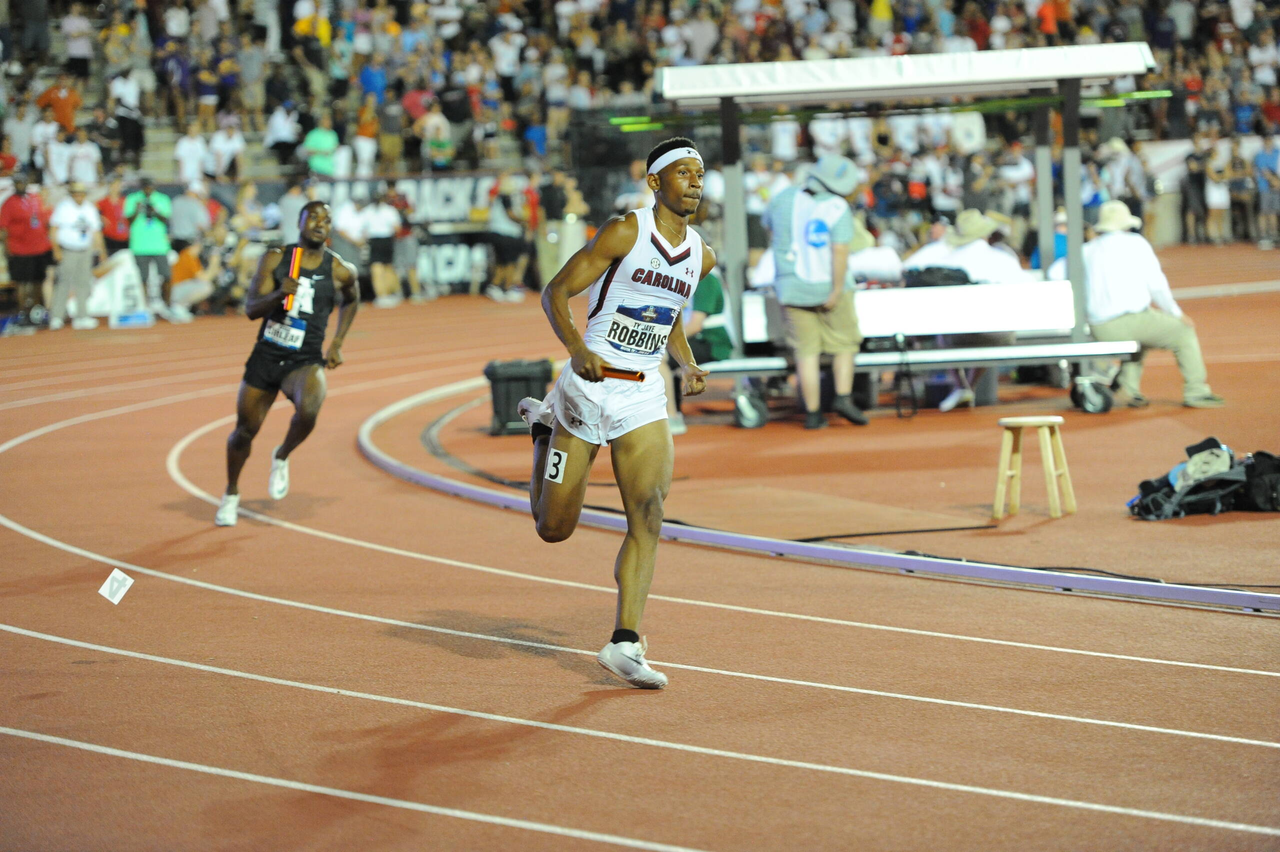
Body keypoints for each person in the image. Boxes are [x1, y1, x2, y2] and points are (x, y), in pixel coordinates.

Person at [516, 138, 716, 689]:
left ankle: (624, 642)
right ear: (656, 183)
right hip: (586, 390)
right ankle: (541, 430)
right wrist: (580, 352)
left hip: (642, 395)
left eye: (700, 173)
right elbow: (555, 293)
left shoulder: (702, 254)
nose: (696, 182)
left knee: (648, 513)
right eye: (684, 173)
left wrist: (688, 364)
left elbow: (669, 313)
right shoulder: (625, 231)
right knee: (553, 528)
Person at [216, 201, 360, 527]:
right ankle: (231, 494)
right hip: (266, 355)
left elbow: (353, 299)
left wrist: (337, 342)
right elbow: (251, 309)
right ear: (300, 221)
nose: (321, 223)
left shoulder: (339, 269)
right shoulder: (278, 258)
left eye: (327, 219)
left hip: (305, 359)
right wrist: (278, 295)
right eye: (314, 217)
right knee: (244, 432)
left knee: (310, 408)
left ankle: (282, 455)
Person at [1083, 200, 1224, 409]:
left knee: (1143, 332)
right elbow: (1157, 285)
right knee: (1182, 332)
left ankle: (1127, 387)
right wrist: (1176, 313)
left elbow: (1057, 272)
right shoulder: (1136, 243)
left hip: (1100, 326)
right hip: (1128, 320)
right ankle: (1197, 391)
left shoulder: (1086, 250)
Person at [764, 155, 869, 429]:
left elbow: (769, 229)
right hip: (831, 287)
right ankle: (843, 397)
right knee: (845, 344)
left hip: (792, 287)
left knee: (806, 353)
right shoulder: (837, 206)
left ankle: (812, 414)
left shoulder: (783, 198)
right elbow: (840, 250)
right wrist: (835, 289)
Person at [48, 182, 105, 330]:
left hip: (85, 250)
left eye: (81, 193)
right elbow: (54, 229)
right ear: (72, 194)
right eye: (76, 193)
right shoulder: (64, 207)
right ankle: (57, 317)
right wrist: (56, 250)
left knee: (84, 283)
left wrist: (101, 250)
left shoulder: (90, 208)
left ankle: (82, 316)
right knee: (63, 282)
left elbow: (96, 231)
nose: (79, 196)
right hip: (68, 249)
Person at [0, 172, 53, 327]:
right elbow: (3, 229)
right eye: (17, 183)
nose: (20, 185)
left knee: (38, 281)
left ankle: (37, 312)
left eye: (23, 182)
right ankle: (23, 313)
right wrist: (7, 248)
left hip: (39, 248)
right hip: (19, 249)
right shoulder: (9, 203)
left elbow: (43, 217)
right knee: (22, 283)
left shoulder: (34, 198)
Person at [124, 177, 175, 320]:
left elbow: (166, 219)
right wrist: (137, 209)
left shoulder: (162, 199)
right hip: (140, 245)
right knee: (143, 278)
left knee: (166, 276)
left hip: (159, 245)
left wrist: (154, 210)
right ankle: (145, 307)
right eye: (145, 187)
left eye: (150, 186)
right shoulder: (132, 199)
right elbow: (128, 220)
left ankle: (167, 305)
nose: (148, 189)